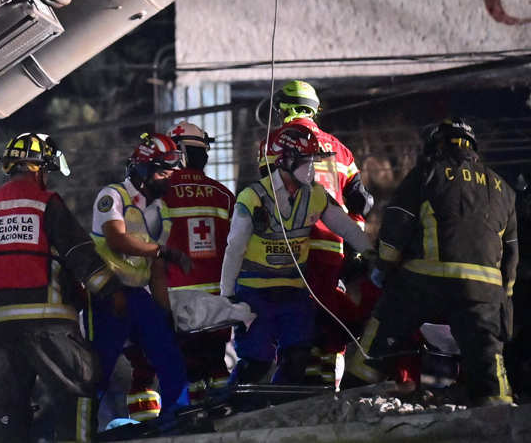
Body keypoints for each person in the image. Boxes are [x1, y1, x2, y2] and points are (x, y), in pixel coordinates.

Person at [0, 132, 124, 443]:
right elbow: (79, 254)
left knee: (6, 414)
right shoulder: (46, 203)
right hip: (47, 324)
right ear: (39, 170)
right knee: (78, 389)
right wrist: (112, 291)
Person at [347, 118, 518, 405]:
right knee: (487, 357)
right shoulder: (503, 188)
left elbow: (398, 221)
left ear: (436, 146)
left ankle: (353, 392)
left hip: (423, 283)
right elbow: (511, 253)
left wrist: (383, 267)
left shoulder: (426, 173)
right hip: (483, 290)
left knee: (385, 326)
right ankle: (498, 412)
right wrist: (503, 298)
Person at [221, 123, 372, 385]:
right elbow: (234, 247)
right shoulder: (253, 196)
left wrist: (373, 254)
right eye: (305, 160)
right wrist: (227, 296)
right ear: (284, 160)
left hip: (294, 292)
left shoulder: (315, 195)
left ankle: (277, 408)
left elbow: (347, 228)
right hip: (255, 293)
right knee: (256, 363)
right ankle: (233, 408)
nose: (311, 167)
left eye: (313, 160)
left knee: (298, 356)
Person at [273, 80, 374, 387]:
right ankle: (324, 390)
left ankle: (294, 389)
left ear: (284, 108)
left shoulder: (277, 140)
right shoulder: (341, 150)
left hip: (292, 247)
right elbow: (364, 202)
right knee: (328, 322)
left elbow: (270, 191)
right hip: (332, 247)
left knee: (295, 321)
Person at [88, 132, 190, 424]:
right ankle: (82, 427)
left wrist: (166, 312)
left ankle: (177, 419)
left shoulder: (161, 211)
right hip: (108, 294)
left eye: (170, 173)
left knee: (169, 356)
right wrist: (163, 251)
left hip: (138, 295)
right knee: (100, 368)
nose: (167, 180)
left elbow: (156, 269)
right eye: (163, 172)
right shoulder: (112, 196)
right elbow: (118, 240)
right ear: (144, 169)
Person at [165, 121, 235, 403]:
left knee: (188, 369)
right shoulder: (224, 195)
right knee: (218, 364)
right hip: (218, 301)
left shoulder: (159, 192)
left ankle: (193, 421)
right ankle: (224, 417)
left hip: (178, 300)